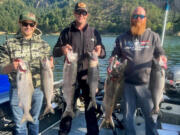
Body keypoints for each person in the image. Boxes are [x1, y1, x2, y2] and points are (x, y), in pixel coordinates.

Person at [111, 6, 167, 135]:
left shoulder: (153, 36)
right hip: (127, 84)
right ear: (131, 19)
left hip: (148, 85)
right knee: (127, 117)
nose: (138, 19)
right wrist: (113, 62)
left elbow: (160, 52)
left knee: (151, 117)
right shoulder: (121, 38)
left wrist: (162, 57)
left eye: (141, 16)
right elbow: (115, 55)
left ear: (145, 19)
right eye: (135, 16)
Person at [53, 2, 106, 135]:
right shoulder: (66, 32)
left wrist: (100, 52)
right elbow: (55, 52)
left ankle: (93, 133)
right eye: (78, 12)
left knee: (90, 110)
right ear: (74, 13)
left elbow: (103, 53)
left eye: (83, 13)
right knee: (68, 106)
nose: (80, 15)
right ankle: (63, 133)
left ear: (87, 15)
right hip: (70, 77)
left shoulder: (94, 32)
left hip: (89, 76)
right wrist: (62, 49)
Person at [0, 11, 53, 135]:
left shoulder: (44, 45)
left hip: (38, 90)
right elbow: (1, 68)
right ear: (20, 24)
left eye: (31, 24)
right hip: (17, 89)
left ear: (35, 25)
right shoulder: (8, 44)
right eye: (25, 23)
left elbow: (49, 66)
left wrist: (51, 65)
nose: (28, 27)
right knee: (19, 125)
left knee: (34, 121)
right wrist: (11, 66)